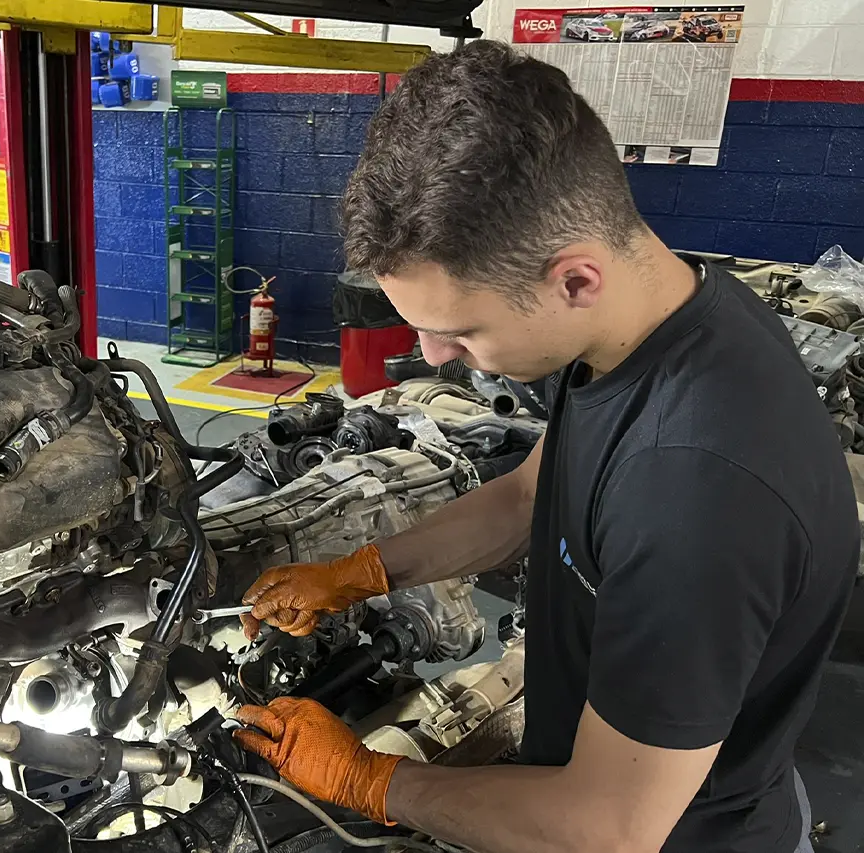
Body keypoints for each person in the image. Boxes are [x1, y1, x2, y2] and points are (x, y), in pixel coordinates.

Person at [233, 40, 858, 853]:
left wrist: (371, 780)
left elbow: (607, 829)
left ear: (575, 278)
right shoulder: (660, 321)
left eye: (459, 328)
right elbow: (535, 491)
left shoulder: (698, 497)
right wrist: (364, 571)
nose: (431, 356)